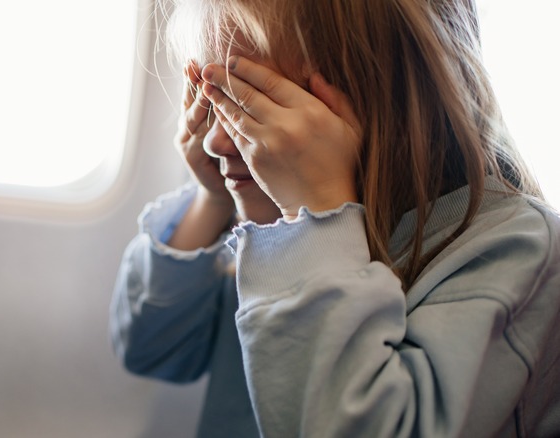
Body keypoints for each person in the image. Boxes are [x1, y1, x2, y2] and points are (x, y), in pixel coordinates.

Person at [110, 0, 560, 436]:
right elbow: (150, 348)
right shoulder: (263, 218)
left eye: (257, 110)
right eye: (216, 103)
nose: (217, 143)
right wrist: (212, 199)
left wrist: (319, 214)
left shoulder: (514, 250)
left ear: (389, 98)